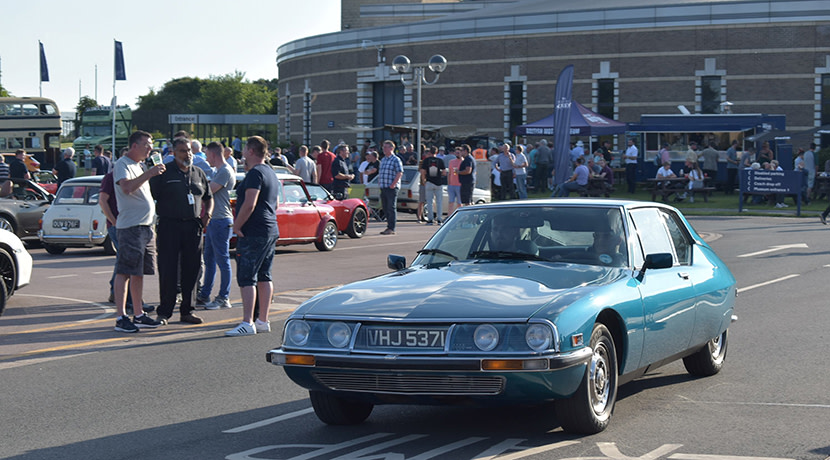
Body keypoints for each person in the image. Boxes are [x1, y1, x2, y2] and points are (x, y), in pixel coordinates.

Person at [150, 137, 213, 325]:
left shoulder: (198, 173)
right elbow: (151, 196)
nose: (188, 154)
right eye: (183, 151)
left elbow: (209, 197)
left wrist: (207, 214)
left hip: (193, 226)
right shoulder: (164, 173)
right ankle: (165, 312)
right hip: (170, 226)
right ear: (174, 153)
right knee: (168, 269)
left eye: (189, 151)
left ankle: (188, 310)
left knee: (192, 269)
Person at [112, 130, 166, 333]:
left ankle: (139, 314)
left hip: (145, 226)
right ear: (134, 145)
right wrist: (150, 173)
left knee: (139, 272)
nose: (150, 148)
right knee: (125, 271)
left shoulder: (139, 165)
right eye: (146, 144)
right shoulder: (122, 164)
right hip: (131, 227)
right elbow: (127, 188)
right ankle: (120, 316)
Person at [226, 136, 280, 336]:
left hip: (254, 231)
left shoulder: (255, 173)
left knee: (247, 276)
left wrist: (237, 226)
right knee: (265, 275)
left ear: (250, 150)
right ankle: (263, 320)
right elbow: (275, 203)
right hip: (269, 228)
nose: (242, 153)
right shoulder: (270, 172)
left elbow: (250, 203)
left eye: (244, 149)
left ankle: (247, 322)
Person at [196, 142, 236, 310]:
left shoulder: (225, 171)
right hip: (214, 220)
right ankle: (205, 294)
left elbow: (209, 191)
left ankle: (223, 297)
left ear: (213, 155)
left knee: (222, 259)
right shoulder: (219, 171)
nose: (206, 159)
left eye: (207, 155)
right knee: (210, 259)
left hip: (221, 220)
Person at [378, 140, 403, 235]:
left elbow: (399, 172)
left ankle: (391, 228)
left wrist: (393, 184)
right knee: (385, 207)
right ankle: (388, 226)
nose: (384, 149)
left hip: (392, 187)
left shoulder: (396, 159)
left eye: (386, 147)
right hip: (383, 186)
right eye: (383, 147)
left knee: (391, 207)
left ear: (391, 148)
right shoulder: (383, 160)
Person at [420, 146, 445, 225]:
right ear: (436, 152)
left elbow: (423, 172)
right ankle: (439, 219)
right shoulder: (440, 161)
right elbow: (444, 172)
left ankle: (430, 219)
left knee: (429, 202)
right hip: (438, 183)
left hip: (429, 182)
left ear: (430, 152)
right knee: (439, 202)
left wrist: (424, 180)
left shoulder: (426, 160)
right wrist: (439, 174)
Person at [447, 147, 463, 215]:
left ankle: (459, 216)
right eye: (456, 153)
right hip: (451, 185)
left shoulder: (463, 162)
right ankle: (449, 216)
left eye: (458, 153)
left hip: (460, 185)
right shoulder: (451, 161)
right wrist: (448, 183)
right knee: (451, 202)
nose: (457, 154)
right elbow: (449, 173)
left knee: (459, 203)